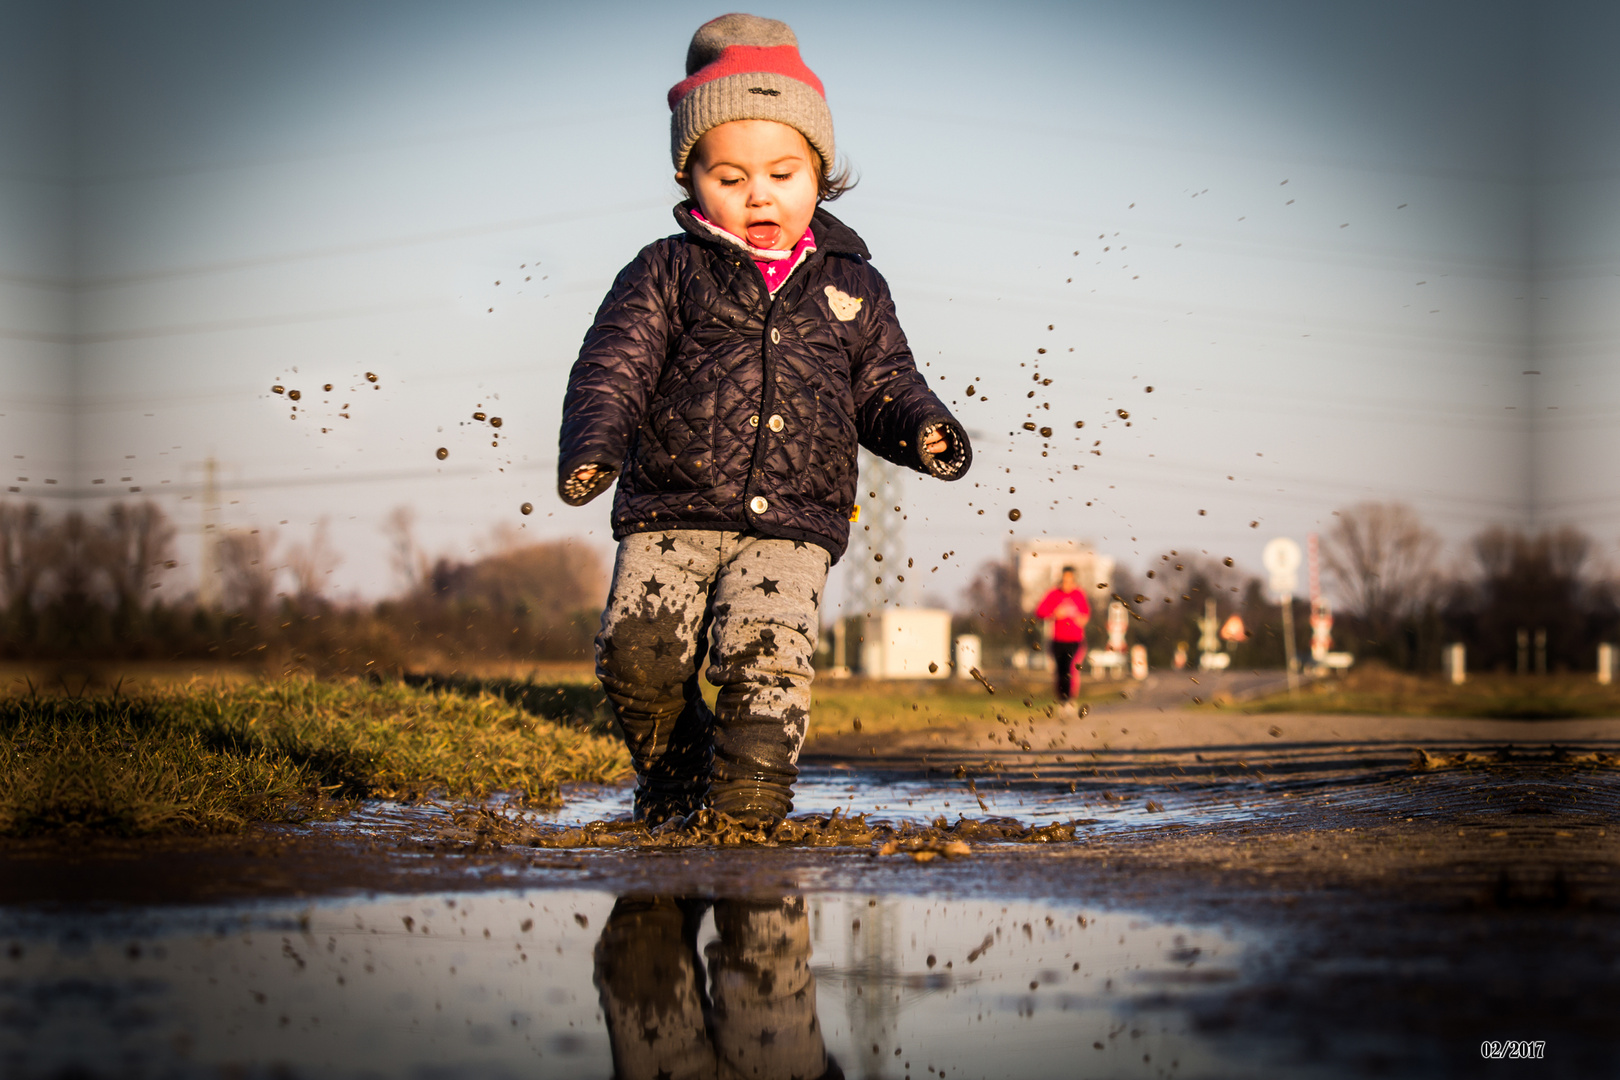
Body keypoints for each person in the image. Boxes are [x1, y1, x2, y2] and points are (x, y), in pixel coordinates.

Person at [558, 13, 972, 830]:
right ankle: (677, 778)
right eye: (730, 176)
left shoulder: (854, 286)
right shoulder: (667, 271)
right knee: (634, 655)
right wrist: (596, 445)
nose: (759, 194)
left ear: (819, 174)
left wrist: (921, 427)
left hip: (792, 521)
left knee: (767, 665)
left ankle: (750, 812)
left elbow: (884, 382)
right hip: (669, 508)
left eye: (783, 173)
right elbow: (615, 363)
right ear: (691, 181)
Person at [1034, 566, 1091, 704]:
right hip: (1058, 640)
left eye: (1070, 581)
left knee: (1071, 670)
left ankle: (1071, 699)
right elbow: (1039, 612)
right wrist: (1054, 613)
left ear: (1074, 580)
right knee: (1060, 672)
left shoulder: (1079, 594)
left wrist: (1082, 619)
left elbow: (1086, 614)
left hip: (1075, 640)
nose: (1067, 584)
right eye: (1065, 580)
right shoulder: (1053, 594)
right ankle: (1062, 700)